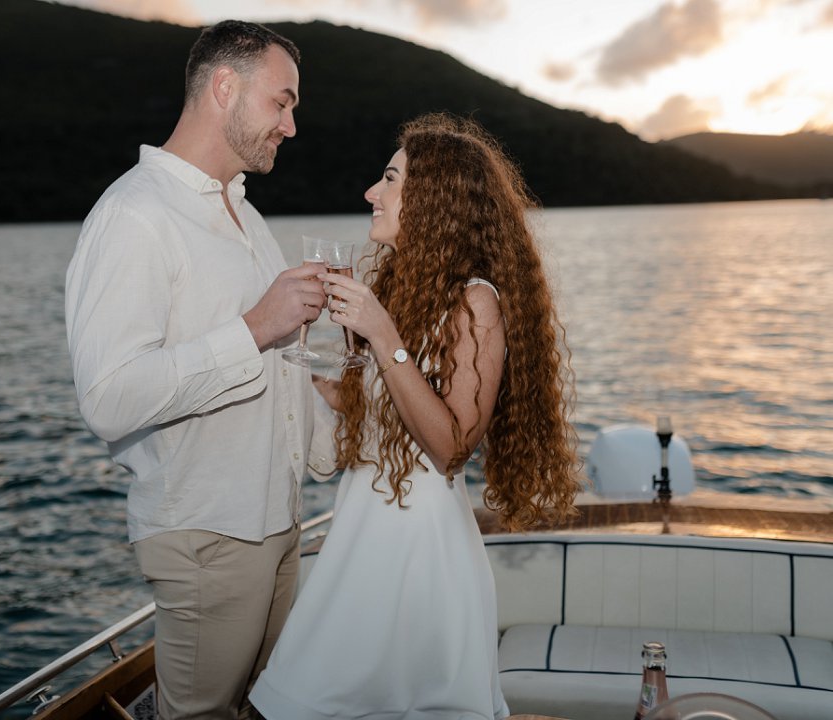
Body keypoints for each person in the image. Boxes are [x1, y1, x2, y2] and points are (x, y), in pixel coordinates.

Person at [249, 113, 583, 720]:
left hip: (416, 546)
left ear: (434, 198)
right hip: (363, 531)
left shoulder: (476, 301)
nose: (371, 193)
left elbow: (452, 446)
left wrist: (382, 334)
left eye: (389, 179)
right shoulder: (409, 289)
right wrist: (310, 379)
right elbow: (385, 412)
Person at [64, 20, 336, 720]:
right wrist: (257, 326)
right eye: (281, 102)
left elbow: (274, 371)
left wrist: (337, 419)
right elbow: (108, 397)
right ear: (223, 87)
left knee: (266, 710)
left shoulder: (248, 217)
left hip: (278, 523)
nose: (291, 126)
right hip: (209, 534)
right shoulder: (134, 215)